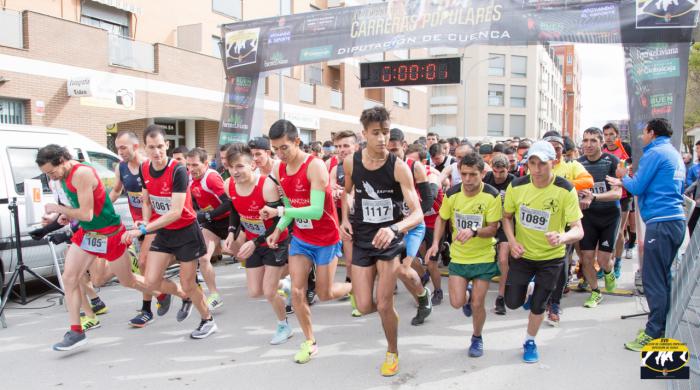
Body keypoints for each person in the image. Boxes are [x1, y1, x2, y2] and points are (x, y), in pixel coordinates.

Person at [36, 144, 154, 351]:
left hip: (109, 233)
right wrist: (59, 217)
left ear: (62, 161)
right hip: (88, 233)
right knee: (70, 278)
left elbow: (86, 214)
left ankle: (164, 291)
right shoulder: (62, 176)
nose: (51, 177)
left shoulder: (81, 173)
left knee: (127, 280)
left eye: (52, 172)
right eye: (47, 174)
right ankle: (76, 331)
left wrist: (57, 208)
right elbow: (75, 208)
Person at [260, 119, 353, 364]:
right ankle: (310, 341)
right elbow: (291, 206)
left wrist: (278, 213)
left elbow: (314, 211)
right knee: (298, 293)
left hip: (325, 238)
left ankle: (353, 288)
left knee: (325, 293)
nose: (280, 154)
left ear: (297, 142)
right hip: (301, 239)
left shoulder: (315, 166)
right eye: (276, 149)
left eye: (284, 148)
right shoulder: (279, 169)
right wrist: (278, 230)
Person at [341, 107, 423, 377]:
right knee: (365, 305)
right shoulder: (352, 162)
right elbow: (347, 192)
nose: (381, 138)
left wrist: (394, 227)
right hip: (363, 238)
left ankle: (392, 351)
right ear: (363, 134)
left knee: (385, 303)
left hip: (389, 242)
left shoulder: (398, 167)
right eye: (375, 133)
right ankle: (391, 314)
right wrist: (345, 218)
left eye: (385, 132)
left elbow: (417, 213)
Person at [122, 125, 218, 339]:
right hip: (163, 231)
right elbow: (146, 199)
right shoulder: (145, 168)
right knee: (151, 280)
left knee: (188, 281)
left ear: (167, 145)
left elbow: (175, 212)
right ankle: (184, 296)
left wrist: (146, 229)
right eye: (151, 147)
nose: (156, 152)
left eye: (160, 147)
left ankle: (207, 320)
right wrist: (144, 220)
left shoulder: (178, 170)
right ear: (144, 149)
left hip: (186, 232)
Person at [607, 118, 686, 352]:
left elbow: (638, 187)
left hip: (662, 223)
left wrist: (622, 176)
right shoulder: (672, 153)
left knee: (653, 279)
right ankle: (662, 326)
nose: (641, 137)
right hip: (673, 221)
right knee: (663, 278)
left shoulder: (656, 153)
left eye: (643, 133)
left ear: (652, 132)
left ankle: (653, 333)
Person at [502, 141, 584, 363]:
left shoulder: (565, 189)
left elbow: (578, 230)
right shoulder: (517, 186)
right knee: (511, 303)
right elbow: (506, 217)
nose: (536, 170)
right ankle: (528, 290)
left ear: (554, 163)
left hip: (552, 258)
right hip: (523, 255)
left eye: (542, 164)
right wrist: (511, 241)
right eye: (532, 163)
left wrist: (562, 237)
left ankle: (530, 341)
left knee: (539, 305)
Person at [426, 152, 502, 358]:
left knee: (478, 303)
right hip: (459, 257)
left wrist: (475, 231)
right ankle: (466, 295)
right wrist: (435, 244)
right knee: (456, 303)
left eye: (473, 175)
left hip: (483, 257)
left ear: (482, 173)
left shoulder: (492, 195)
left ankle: (477, 337)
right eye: (464, 174)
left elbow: (494, 228)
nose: (468, 179)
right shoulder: (452, 194)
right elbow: (442, 219)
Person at [225, 144, 293, 345]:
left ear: (252, 165)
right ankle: (285, 284)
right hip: (254, 241)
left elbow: (276, 223)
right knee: (255, 291)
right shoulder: (228, 184)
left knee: (269, 291)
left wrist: (255, 242)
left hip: (274, 240)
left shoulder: (266, 186)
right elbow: (235, 210)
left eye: (239, 166)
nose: (235, 172)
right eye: (231, 167)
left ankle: (284, 325)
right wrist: (231, 232)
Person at [109, 130, 166, 327]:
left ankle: (147, 309)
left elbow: (151, 199)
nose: (120, 152)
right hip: (138, 224)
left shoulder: (148, 166)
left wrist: (146, 222)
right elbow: (116, 191)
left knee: (143, 262)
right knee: (148, 265)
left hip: (154, 222)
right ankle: (170, 291)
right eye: (117, 148)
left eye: (123, 147)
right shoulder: (121, 167)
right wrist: (99, 210)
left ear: (135, 146)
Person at [387, 128, 434, 326]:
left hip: (413, 225)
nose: (391, 154)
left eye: (395, 150)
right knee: (400, 270)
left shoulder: (415, 167)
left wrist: (409, 220)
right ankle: (423, 296)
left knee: (403, 267)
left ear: (404, 146)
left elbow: (428, 201)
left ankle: (423, 298)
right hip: (392, 225)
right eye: (388, 151)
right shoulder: (380, 166)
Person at [577, 128, 622, 311]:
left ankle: (609, 271)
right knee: (586, 258)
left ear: (601, 143)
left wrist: (594, 197)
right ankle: (595, 292)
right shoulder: (578, 163)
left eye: (593, 141)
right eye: (585, 140)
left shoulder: (611, 161)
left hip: (609, 215)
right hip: (587, 217)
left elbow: (617, 192)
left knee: (603, 260)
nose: (588, 145)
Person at [186, 147, 232, 311]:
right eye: (189, 165)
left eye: (195, 165)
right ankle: (215, 295)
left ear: (206, 164)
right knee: (203, 258)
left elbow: (228, 203)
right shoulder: (190, 179)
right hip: (211, 224)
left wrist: (207, 215)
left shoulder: (211, 178)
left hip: (228, 220)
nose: (191, 169)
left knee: (241, 254)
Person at [482, 154, 515, 315]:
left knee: (503, 259)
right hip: (488, 222)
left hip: (506, 222)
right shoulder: (486, 178)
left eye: (502, 172)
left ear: (508, 169)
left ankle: (501, 297)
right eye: (495, 171)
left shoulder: (514, 182)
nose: (498, 175)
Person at [602, 123, 633, 278]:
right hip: (607, 195)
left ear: (617, 135)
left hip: (624, 195)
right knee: (604, 231)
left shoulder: (626, 148)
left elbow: (635, 167)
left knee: (620, 231)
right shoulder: (602, 149)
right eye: (605, 134)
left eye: (611, 134)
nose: (608, 138)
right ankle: (604, 263)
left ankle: (618, 261)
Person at [330, 130, 358, 287]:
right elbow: (329, 188)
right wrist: (333, 192)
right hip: (347, 220)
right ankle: (350, 285)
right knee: (349, 262)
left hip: (367, 221)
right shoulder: (336, 168)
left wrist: (348, 193)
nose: (341, 150)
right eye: (338, 146)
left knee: (372, 262)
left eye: (346, 145)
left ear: (356, 147)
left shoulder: (365, 166)